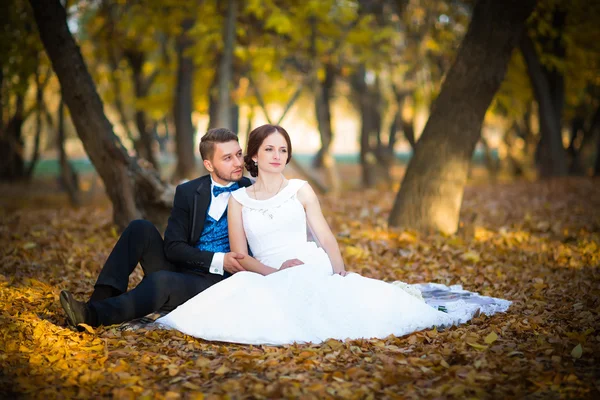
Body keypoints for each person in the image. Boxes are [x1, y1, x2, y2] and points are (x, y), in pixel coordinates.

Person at [157, 124, 511, 345]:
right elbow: (240, 254)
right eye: (269, 149)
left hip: (307, 261)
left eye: (283, 149)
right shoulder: (239, 198)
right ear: (253, 155)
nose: (277, 155)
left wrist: (340, 272)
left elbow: (325, 238)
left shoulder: (301, 189)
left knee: (342, 306)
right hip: (264, 271)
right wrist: (276, 273)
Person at [59, 128, 253, 328]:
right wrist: (219, 259)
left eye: (239, 154)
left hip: (218, 282)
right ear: (209, 164)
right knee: (139, 228)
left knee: (161, 281)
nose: (238, 163)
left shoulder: (252, 191)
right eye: (228, 158)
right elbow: (173, 247)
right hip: (183, 271)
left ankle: (91, 316)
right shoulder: (188, 192)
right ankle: (99, 301)